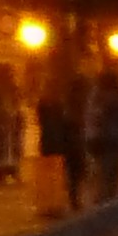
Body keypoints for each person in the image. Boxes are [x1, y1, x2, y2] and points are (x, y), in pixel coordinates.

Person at [85, 70, 118, 207]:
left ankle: (104, 202)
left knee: (104, 174)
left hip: (103, 142)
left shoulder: (98, 98)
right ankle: (109, 202)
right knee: (113, 174)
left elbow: (93, 119)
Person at [36, 75, 84, 216]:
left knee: (51, 175)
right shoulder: (59, 105)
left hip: (50, 143)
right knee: (57, 175)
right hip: (60, 143)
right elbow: (65, 124)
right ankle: (55, 204)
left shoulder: (45, 104)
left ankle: (50, 204)